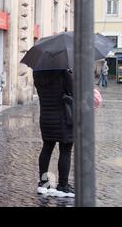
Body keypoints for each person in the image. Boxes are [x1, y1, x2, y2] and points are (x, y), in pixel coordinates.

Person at [33, 69, 75, 198]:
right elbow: (73, 91)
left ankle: (43, 183)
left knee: (46, 148)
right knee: (65, 149)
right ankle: (62, 186)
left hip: (46, 117)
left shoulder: (37, 73)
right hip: (64, 117)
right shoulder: (63, 73)